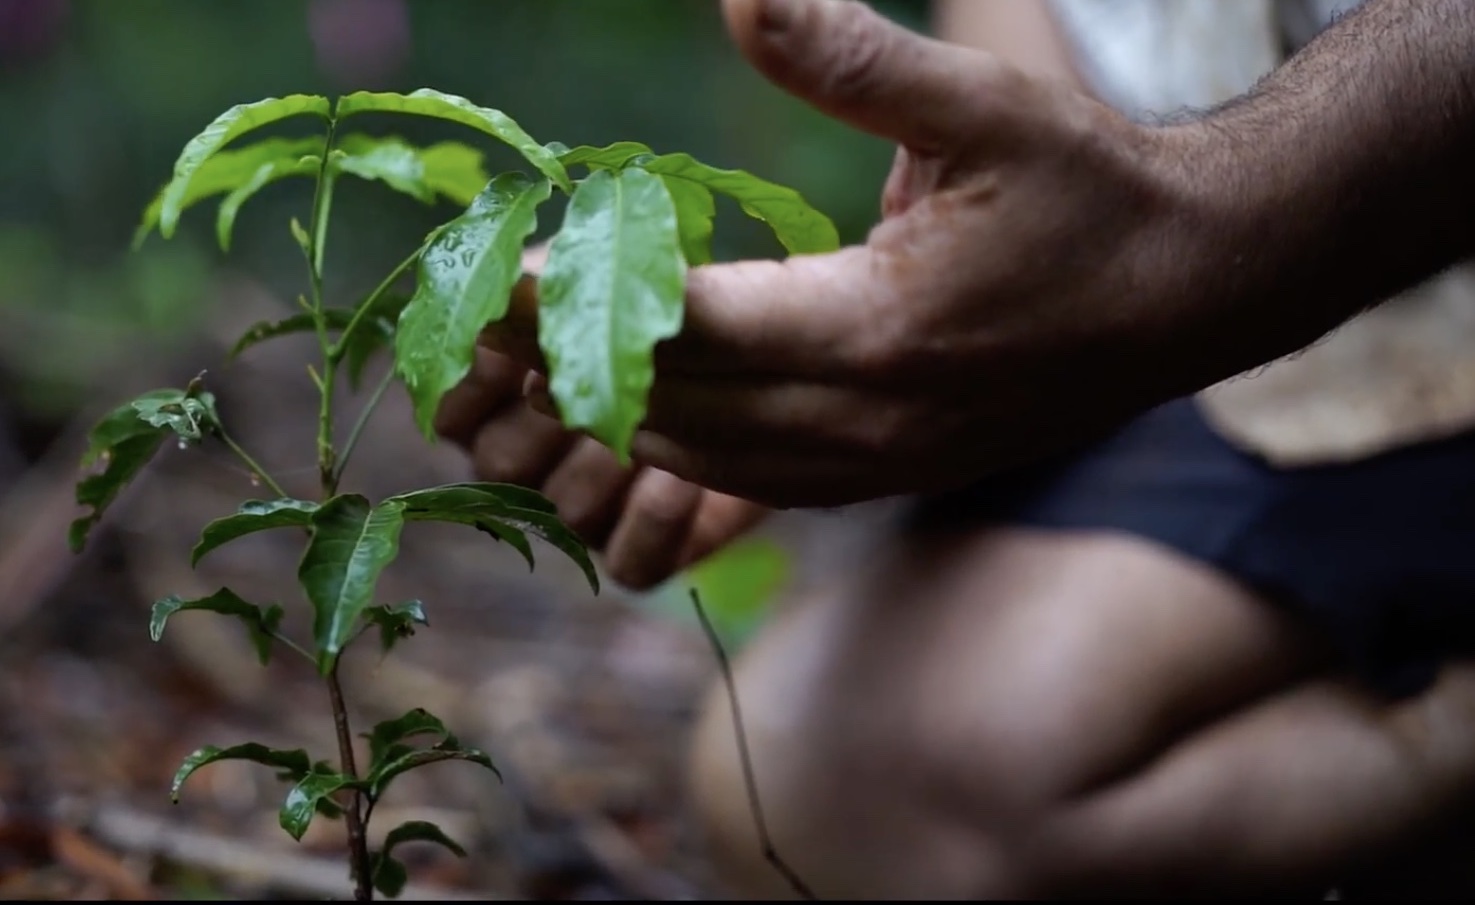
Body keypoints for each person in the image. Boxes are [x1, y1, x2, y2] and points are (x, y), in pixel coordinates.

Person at [436, 0, 1475, 896]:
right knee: (819, 772)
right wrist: (866, 329)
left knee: (876, 783)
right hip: (1249, 339)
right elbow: (1030, 89)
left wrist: (1216, 214)